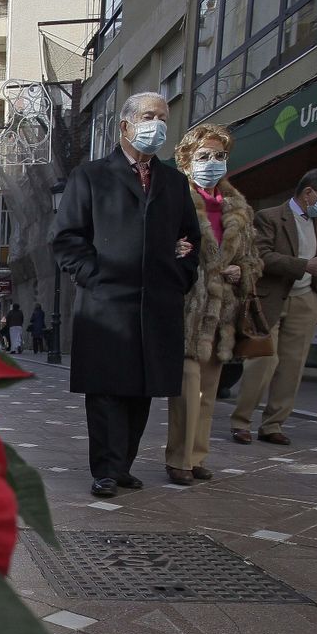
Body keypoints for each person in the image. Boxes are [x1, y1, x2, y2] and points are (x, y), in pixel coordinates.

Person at [51, 91, 201, 499]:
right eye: (150, 116)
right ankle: (105, 468)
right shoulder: (91, 176)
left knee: (141, 387)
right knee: (106, 389)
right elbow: (66, 239)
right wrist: (93, 276)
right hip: (106, 303)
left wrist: (180, 273)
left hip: (157, 302)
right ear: (125, 126)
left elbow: (191, 237)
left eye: (164, 118)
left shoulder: (173, 181)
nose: (158, 125)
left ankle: (124, 465)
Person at [165, 123, 263, 485]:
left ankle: (196, 457)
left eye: (219, 156)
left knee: (209, 391)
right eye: (203, 156)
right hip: (188, 306)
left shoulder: (239, 207)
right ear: (186, 162)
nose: (213, 163)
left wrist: (244, 270)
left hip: (224, 310)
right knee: (188, 389)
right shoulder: (175, 198)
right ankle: (178, 459)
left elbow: (254, 257)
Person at [230, 168, 317, 446]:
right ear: (308, 193)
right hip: (270, 298)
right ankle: (241, 421)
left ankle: (273, 424)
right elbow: (262, 256)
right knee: (263, 362)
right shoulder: (269, 217)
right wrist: (305, 266)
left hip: (306, 300)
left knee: (293, 366)